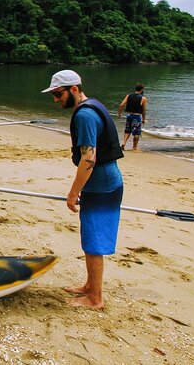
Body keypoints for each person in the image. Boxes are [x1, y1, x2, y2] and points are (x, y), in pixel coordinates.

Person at [42, 69, 124, 309]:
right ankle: (90, 286)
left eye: (58, 94)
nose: (56, 99)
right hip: (103, 180)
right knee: (90, 238)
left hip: (102, 184)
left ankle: (95, 298)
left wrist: (73, 192)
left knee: (94, 240)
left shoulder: (85, 115)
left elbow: (89, 159)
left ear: (74, 89)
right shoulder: (91, 106)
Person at [118, 83, 148, 151]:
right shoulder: (143, 98)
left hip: (129, 115)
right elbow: (143, 110)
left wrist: (119, 113)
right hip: (137, 117)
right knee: (136, 132)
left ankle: (123, 143)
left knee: (127, 130)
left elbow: (121, 104)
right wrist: (144, 119)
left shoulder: (129, 95)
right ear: (142, 89)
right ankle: (134, 147)